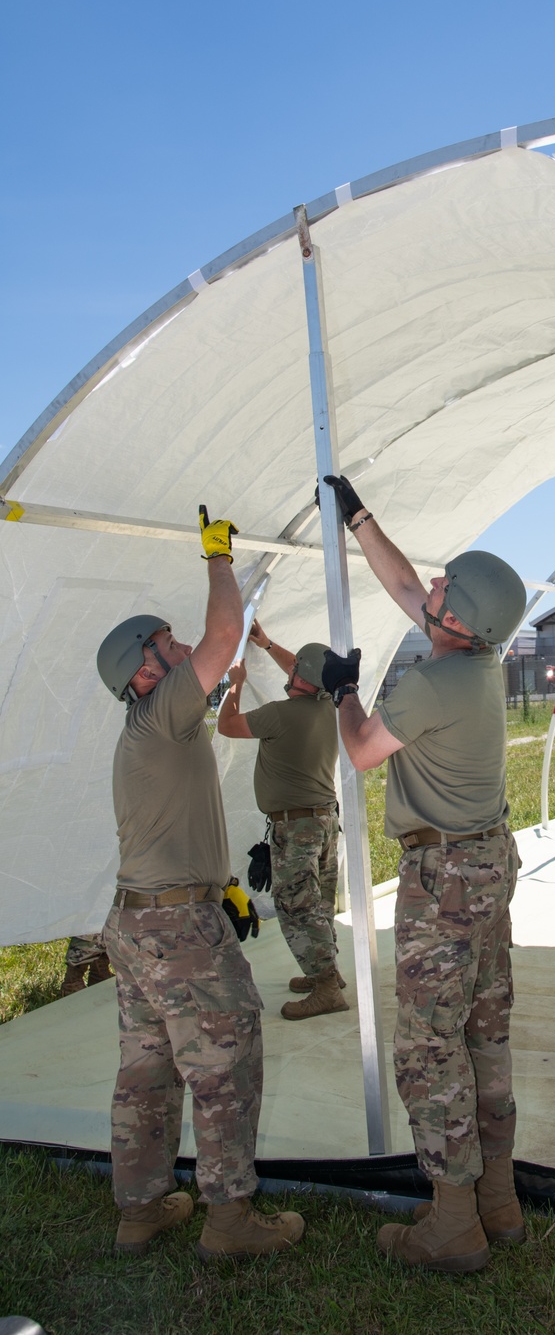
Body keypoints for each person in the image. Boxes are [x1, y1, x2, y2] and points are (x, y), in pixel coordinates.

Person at [321, 473, 526, 1274]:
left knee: (428, 1045)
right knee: (485, 1030)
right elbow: (407, 582)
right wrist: (360, 518)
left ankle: (452, 1222)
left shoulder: (432, 680)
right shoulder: (477, 657)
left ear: (454, 620)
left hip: (442, 883)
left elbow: (363, 749)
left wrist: (344, 693)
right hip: (487, 868)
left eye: (444, 589)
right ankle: (499, 1200)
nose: (430, 588)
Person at [96, 507, 304, 1260]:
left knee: (148, 1070)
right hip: (177, 932)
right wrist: (219, 559)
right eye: (165, 644)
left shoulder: (156, 725)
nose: (180, 646)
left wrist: (221, 884)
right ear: (145, 671)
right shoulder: (160, 713)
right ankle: (230, 1222)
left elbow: (216, 657)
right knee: (227, 1059)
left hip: (140, 920)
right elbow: (221, 639)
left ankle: (142, 1209)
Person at [216, 624, 348, 1021]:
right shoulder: (331, 704)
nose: (287, 673)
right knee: (319, 903)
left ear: (299, 680)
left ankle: (326, 985)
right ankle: (328, 973)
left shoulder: (279, 714)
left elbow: (226, 724)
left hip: (296, 828)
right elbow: (302, 667)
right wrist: (267, 644)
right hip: (324, 820)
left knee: (296, 905)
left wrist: (234, 684)